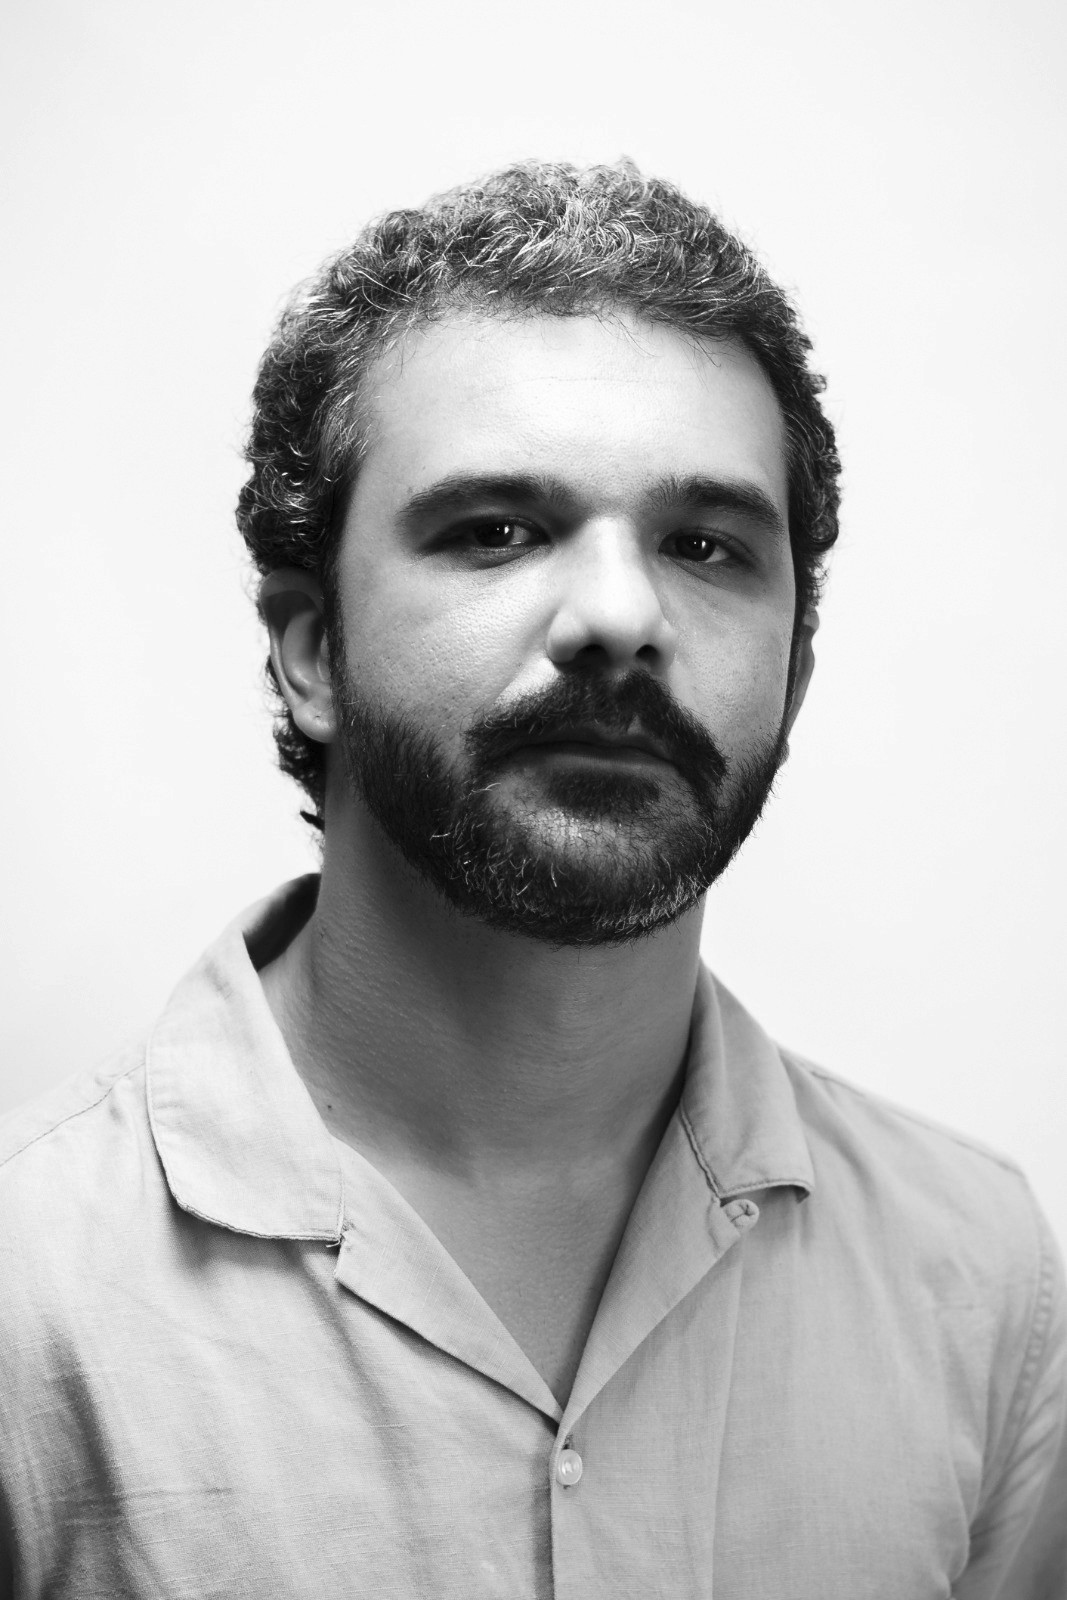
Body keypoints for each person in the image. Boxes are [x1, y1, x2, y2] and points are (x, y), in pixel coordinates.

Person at [0, 161, 1063, 1599]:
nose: (621, 614)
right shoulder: (26, 1292)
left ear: (795, 671)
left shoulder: (981, 1277)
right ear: (311, 652)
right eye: (496, 530)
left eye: (705, 546)